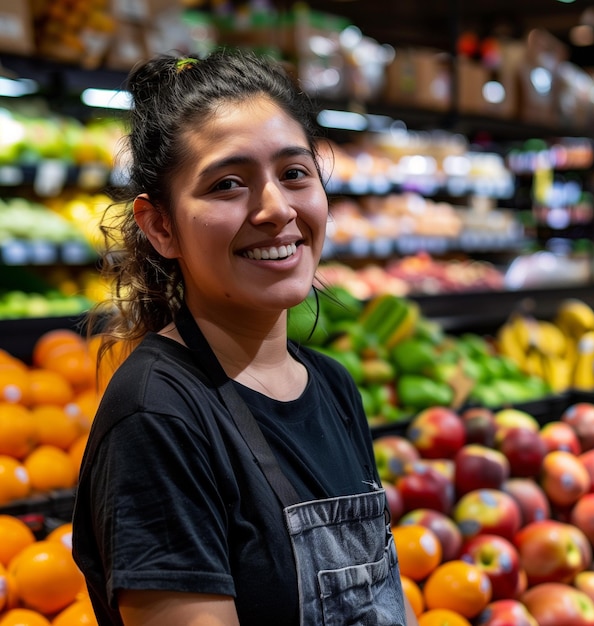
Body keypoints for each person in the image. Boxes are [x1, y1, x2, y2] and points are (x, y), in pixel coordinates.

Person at [72, 48, 418, 626]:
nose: (276, 209)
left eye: (294, 174)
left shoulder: (332, 386)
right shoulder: (158, 417)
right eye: (228, 184)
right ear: (160, 226)